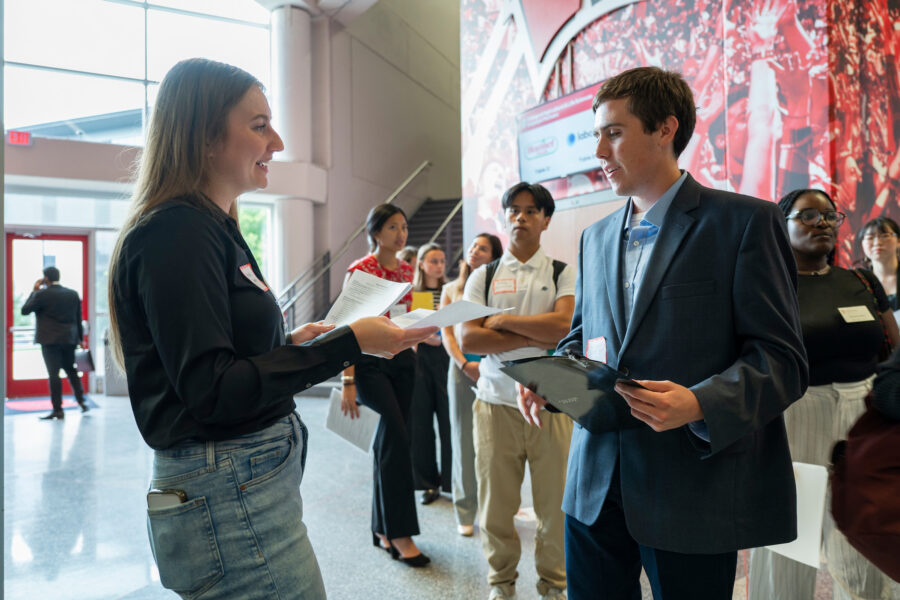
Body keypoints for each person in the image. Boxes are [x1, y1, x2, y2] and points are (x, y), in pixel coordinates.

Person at [106, 58, 435, 600]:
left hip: (242, 484)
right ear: (204, 136)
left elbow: (218, 354)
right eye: (259, 126)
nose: (277, 142)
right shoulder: (177, 232)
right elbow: (212, 389)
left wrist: (288, 343)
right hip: (228, 490)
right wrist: (349, 344)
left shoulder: (213, 227)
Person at [517, 66, 809, 600]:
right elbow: (585, 339)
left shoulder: (742, 224)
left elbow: (782, 361)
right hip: (594, 487)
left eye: (614, 132)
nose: (599, 153)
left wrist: (699, 403)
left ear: (665, 128)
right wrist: (551, 377)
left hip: (692, 491)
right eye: (596, 136)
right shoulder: (595, 237)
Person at [748, 188, 900, 600]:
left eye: (831, 217)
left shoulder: (861, 281)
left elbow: (892, 344)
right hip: (797, 412)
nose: (823, 224)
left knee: (865, 526)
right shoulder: (768, 286)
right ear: (782, 225)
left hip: (863, 414)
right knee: (790, 546)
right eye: (809, 216)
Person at [460, 182, 575, 600]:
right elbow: (470, 341)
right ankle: (501, 584)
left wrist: (501, 323)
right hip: (495, 404)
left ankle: (553, 586)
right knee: (496, 508)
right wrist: (534, 331)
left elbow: (563, 328)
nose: (520, 217)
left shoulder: (563, 272)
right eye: (513, 210)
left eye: (531, 210)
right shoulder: (483, 275)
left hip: (553, 404)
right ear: (505, 217)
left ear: (546, 219)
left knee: (555, 509)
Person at [340, 203, 431, 567]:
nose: (401, 234)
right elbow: (343, 326)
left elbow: (415, 316)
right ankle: (400, 534)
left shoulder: (409, 269)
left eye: (404, 227)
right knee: (393, 436)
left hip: (404, 363)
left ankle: (381, 527)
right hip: (369, 366)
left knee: (392, 444)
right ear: (376, 232)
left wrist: (428, 328)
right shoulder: (360, 270)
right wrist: (347, 380)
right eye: (393, 227)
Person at [440, 233, 503, 536]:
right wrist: (464, 364)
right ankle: (465, 509)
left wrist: (485, 362)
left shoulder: (499, 287)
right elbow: (447, 333)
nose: (475, 250)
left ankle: (498, 504)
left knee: (498, 439)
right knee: (463, 437)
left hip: (495, 366)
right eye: (473, 246)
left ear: (493, 256)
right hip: (461, 369)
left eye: (483, 248)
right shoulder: (451, 288)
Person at [409, 242, 452, 506]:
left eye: (442, 261)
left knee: (449, 422)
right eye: (433, 261)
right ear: (422, 263)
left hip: (447, 358)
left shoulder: (452, 291)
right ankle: (427, 483)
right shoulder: (412, 293)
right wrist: (424, 337)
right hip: (420, 358)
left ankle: (451, 481)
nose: (438, 266)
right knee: (421, 424)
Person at [21, 266, 88, 420]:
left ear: (46, 278)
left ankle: (58, 410)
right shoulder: (72, 294)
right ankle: (82, 402)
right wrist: (80, 339)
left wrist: (34, 290)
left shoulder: (41, 295)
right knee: (71, 371)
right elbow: (78, 318)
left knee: (54, 374)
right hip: (69, 340)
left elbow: (25, 310)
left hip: (49, 341)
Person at [856, 216, 900, 313]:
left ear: (898, 241)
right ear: (862, 243)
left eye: (884, 236)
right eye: (870, 238)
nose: (877, 242)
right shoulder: (858, 281)